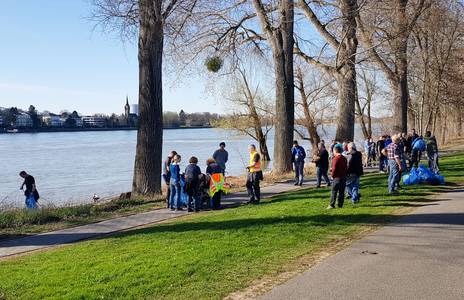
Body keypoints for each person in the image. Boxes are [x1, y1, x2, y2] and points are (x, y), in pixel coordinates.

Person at [328, 145, 347, 209]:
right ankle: (340, 204)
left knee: (334, 191)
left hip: (337, 177)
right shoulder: (344, 158)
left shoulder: (336, 158)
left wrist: (332, 176)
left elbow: (334, 168)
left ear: (335, 151)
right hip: (343, 177)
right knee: (341, 192)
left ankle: (331, 205)